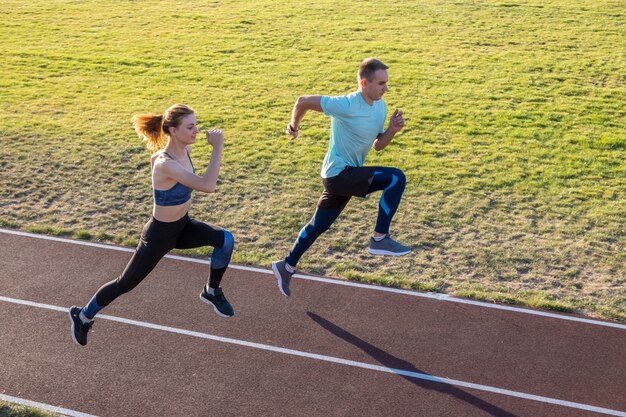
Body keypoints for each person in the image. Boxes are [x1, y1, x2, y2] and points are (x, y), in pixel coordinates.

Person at [69, 104, 235, 346]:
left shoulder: (184, 151)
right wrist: (218, 147)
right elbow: (208, 186)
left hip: (183, 226)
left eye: (196, 125)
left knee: (225, 240)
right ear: (173, 131)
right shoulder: (164, 162)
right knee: (125, 283)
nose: (196, 131)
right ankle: (82, 315)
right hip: (159, 235)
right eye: (190, 127)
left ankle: (211, 291)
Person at [272, 58, 411, 297]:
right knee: (396, 178)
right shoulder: (347, 104)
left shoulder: (380, 107)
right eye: (380, 83)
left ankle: (286, 266)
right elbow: (303, 101)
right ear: (363, 82)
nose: (385, 88)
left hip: (343, 176)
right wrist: (294, 126)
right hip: (339, 174)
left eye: (386, 83)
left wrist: (392, 131)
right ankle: (379, 239)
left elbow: (378, 145)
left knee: (319, 225)